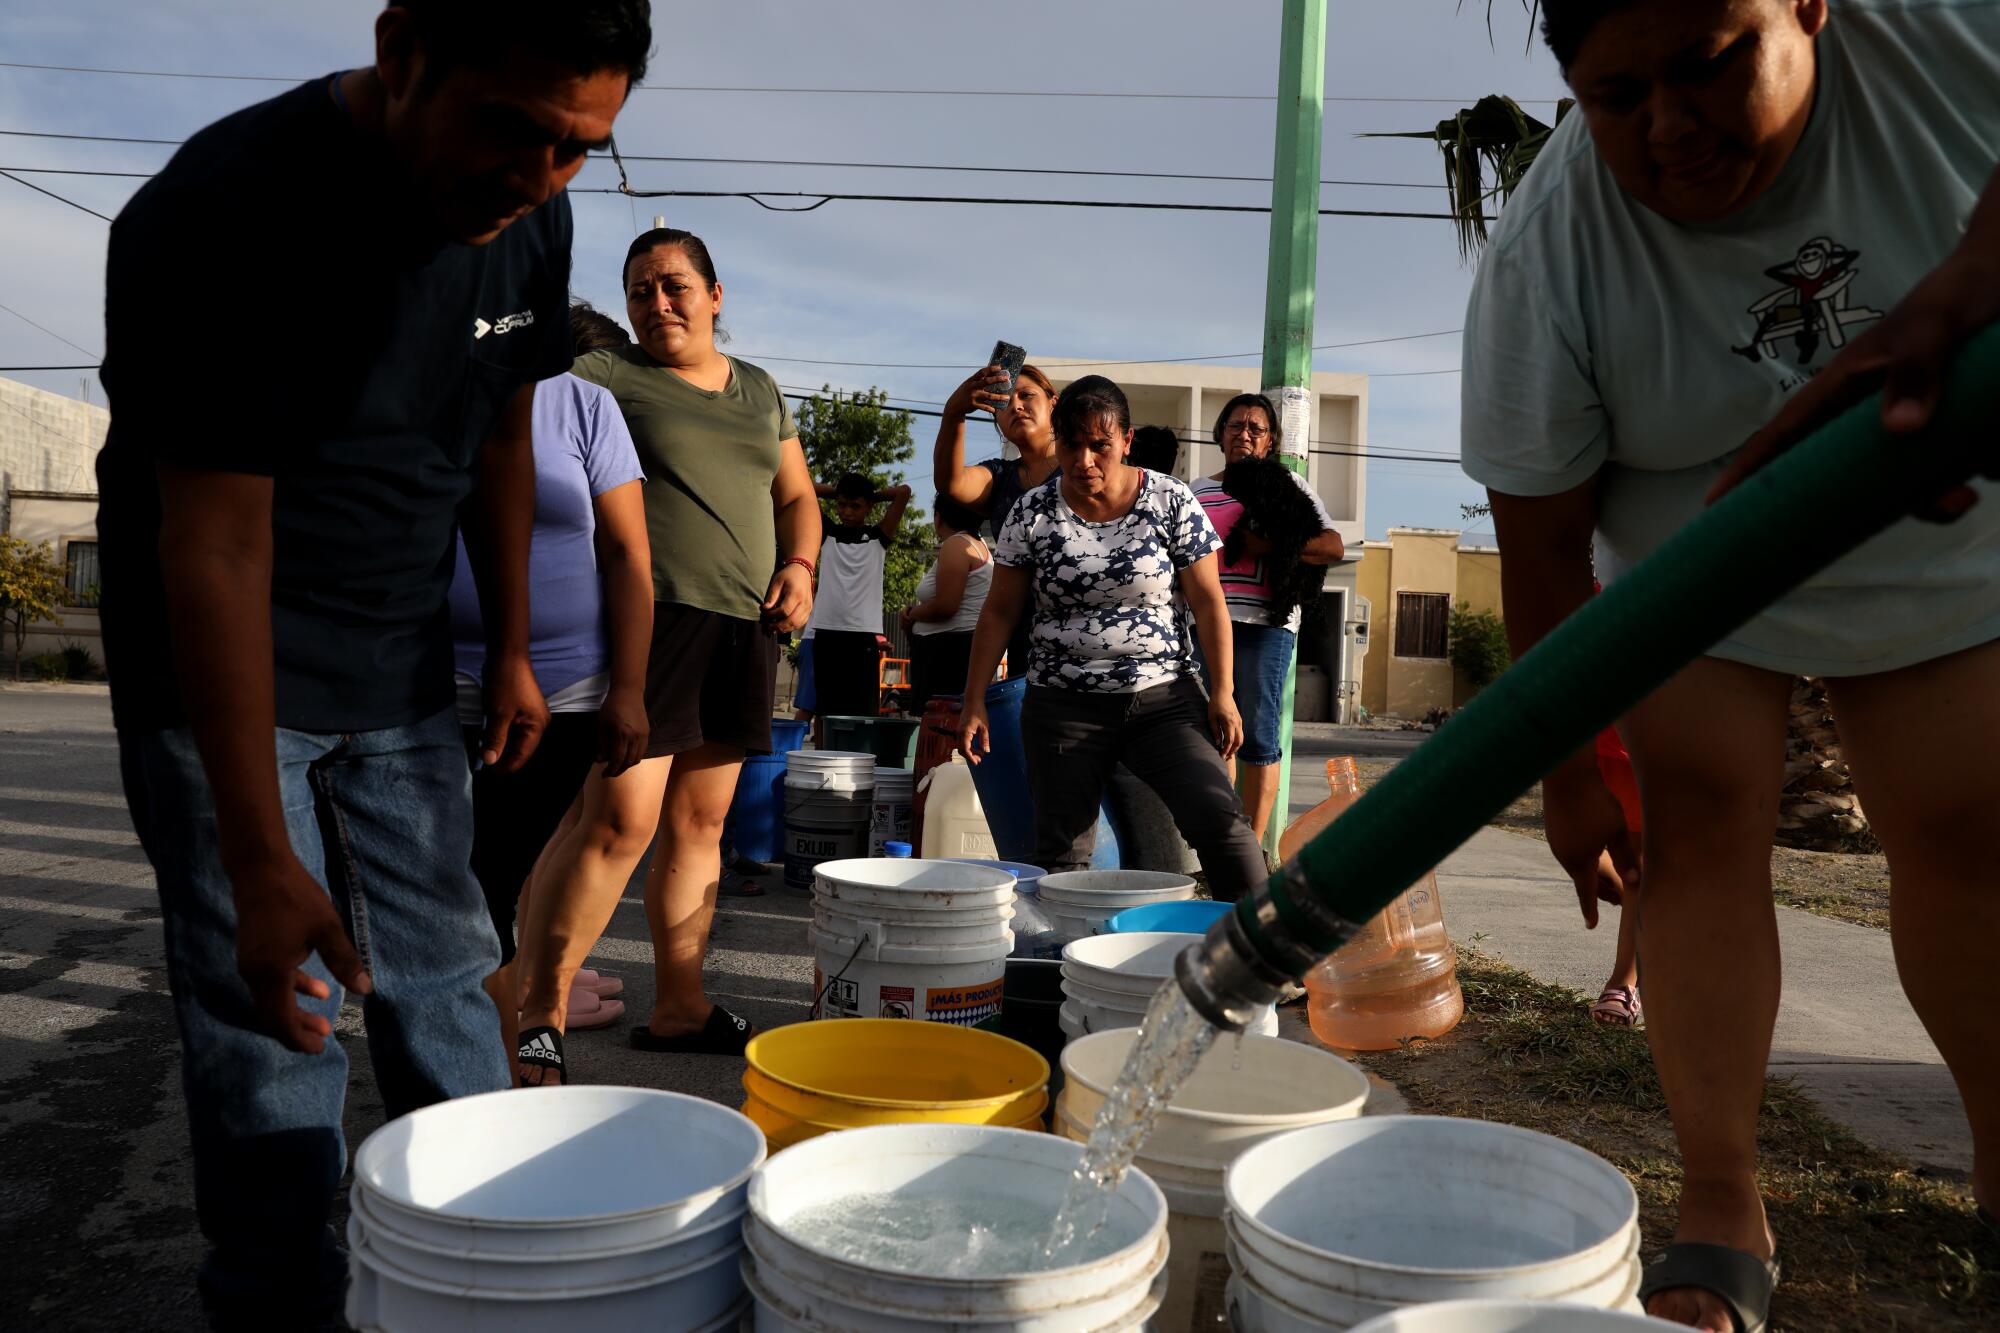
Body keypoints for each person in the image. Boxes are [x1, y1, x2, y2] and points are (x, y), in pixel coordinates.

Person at [93, 3, 650, 1325]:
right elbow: (215, 545)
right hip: (228, 670)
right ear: (404, 53)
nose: (534, 179)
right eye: (509, 128)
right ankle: (280, 1299)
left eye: (576, 150)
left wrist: (508, 646)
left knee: (446, 972)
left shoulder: (535, 220)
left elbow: (507, 440)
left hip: (407, 670)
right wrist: (255, 855)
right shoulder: (227, 210)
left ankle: (482, 1271)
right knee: (268, 1015)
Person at [1460, 2, 2000, 1327]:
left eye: (1711, 64)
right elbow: (1541, 553)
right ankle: (1721, 1200)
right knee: (1697, 827)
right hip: (1689, 551)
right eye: (1617, 95)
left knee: (1971, 838)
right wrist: (1577, 775)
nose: (1670, 129)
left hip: (1940, 503)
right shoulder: (1554, 248)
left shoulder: (1953, 32)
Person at [570, 226, 820, 1056]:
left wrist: (802, 565)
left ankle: (681, 1004)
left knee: (701, 825)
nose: (657, 301)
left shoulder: (760, 389)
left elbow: (796, 499)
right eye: (640, 289)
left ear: (716, 295)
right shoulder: (608, 376)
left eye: (674, 284)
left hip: (747, 627)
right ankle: (531, 1007)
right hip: (655, 618)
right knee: (618, 824)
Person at [957, 376, 1268, 903]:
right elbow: (999, 612)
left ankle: (1268, 959)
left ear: (1126, 441)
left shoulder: (1171, 500)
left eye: (1100, 446)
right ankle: (1072, 973)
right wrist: (972, 702)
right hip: (1063, 706)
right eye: (1072, 444)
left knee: (1220, 821)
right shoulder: (1030, 513)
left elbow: (1209, 601)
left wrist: (1223, 694)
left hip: (1164, 700)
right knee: (1062, 856)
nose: (1084, 461)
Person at [447, 300, 650, 1086]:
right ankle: (480, 1073)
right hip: (433, 687)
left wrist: (628, 688)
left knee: (493, 887)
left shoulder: (584, 405)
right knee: (455, 897)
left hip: (565, 694)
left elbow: (630, 554)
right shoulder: (427, 393)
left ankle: (495, 1074)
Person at [1190, 394, 1344, 843]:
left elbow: (1332, 546)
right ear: (1220, 435)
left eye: (1256, 428)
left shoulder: (1287, 483)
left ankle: (1253, 850)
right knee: (1213, 735)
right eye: (1235, 425)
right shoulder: (1197, 490)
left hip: (1265, 625)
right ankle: (1222, 845)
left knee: (1257, 735)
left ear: (1270, 440)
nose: (1245, 433)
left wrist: (1270, 545)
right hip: (1202, 623)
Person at [934, 359, 1061, 678]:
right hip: (1026, 650)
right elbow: (951, 483)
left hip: (1088, 646)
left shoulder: (1082, 469)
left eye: (1026, 395)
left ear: (1053, 403)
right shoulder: (1001, 478)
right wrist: (954, 412)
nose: (1016, 406)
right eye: (1004, 402)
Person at [805, 473, 912, 720]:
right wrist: (840, 491)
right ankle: (825, 755)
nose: (847, 512)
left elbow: (903, 492)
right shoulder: (827, 533)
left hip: (862, 635)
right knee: (826, 709)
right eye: (842, 504)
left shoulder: (879, 538)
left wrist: (869, 494)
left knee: (863, 709)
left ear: (868, 507)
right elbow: (806, 488)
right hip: (827, 632)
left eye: (856, 506)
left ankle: (861, 758)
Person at [901, 495, 995, 708]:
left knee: (941, 729)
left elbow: (946, 606)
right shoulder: (977, 545)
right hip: (954, 649)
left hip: (947, 654)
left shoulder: (956, 545)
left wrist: (911, 613)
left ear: (938, 517)